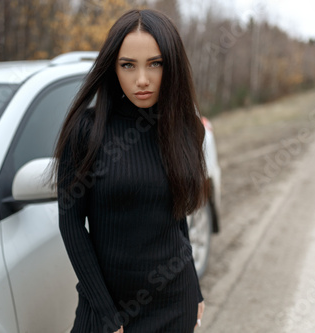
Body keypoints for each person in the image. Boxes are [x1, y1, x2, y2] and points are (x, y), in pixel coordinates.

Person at [50, 8, 208, 333]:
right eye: (128, 65)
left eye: (155, 63)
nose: (142, 80)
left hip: (175, 303)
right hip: (109, 310)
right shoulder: (86, 131)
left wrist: (195, 289)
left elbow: (176, 215)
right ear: (113, 67)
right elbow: (71, 223)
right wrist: (107, 315)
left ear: (172, 65)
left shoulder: (186, 128)